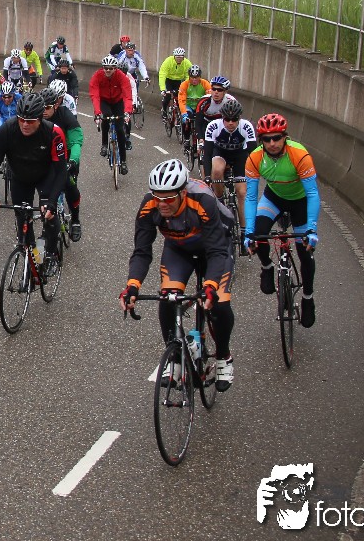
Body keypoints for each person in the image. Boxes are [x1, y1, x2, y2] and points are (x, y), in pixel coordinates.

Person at [120, 158, 238, 392]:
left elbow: (217, 251)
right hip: (178, 249)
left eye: (169, 198)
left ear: (183, 193)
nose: (162, 204)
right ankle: (174, 357)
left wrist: (210, 286)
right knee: (168, 298)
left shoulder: (202, 201)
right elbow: (142, 251)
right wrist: (132, 286)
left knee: (219, 303)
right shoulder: (149, 205)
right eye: (158, 197)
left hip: (214, 249)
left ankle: (223, 356)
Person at [245, 113, 320, 328]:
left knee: (304, 252)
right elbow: (251, 197)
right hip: (274, 198)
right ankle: (267, 267)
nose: (272, 143)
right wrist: (249, 231)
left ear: (285, 137)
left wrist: (312, 229)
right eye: (266, 139)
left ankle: (307, 298)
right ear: (261, 141)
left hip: (300, 202)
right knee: (259, 234)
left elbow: (313, 194)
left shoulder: (299, 154)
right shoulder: (255, 157)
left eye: (277, 138)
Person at [0, 93, 71, 271]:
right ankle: (34, 257)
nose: (25, 124)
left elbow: (61, 171)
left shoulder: (54, 132)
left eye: (30, 121)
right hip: (20, 177)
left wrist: (52, 202)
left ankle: (50, 253)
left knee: (49, 215)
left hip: (46, 176)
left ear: (40, 119)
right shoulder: (6, 130)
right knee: (23, 222)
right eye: (21, 119)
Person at [40, 91, 84, 242]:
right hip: (47, 156)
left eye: (47, 107)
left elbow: (76, 140)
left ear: (56, 105)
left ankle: (75, 220)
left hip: (67, 156)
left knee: (70, 187)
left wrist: (73, 160)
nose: (44, 111)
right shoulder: (37, 116)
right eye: (41, 107)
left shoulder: (65, 115)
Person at [202, 98, 256, 206]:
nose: (230, 123)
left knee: (242, 193)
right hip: (220, 153)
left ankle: (242, 218)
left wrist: (257, 172)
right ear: (222, 117)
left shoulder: (246, 126)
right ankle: (219, 199)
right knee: (217, 170)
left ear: (239, 118)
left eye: (234, 119)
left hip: (239, 155)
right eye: (227, 119)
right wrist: (207, 176)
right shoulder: (213, 126)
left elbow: (253, 153)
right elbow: (207, 153)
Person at [90, 55, 134, 173]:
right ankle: (104, 144)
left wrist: (127, 112)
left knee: (120, 130)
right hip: (104, 101)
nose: (108, 70)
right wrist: (97, 113)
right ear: (103, 68)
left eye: (111, 68)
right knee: (106, 116)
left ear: (115, 68)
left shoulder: (121, 76)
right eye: (106, 68)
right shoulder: (97, 76)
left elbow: (127, 96)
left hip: (118, 102)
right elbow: (95, 95)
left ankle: (123, 162)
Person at [192, 77, 239, 144]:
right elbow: (198, 122)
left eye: (219, 90)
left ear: (225, 91)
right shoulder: (204, 101)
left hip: (222, 124)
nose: (216, 92)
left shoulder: (231, 101)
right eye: (213, 89)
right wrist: (200, 138)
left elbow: (236, 121)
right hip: (206, 123)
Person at [176, 66, 211, 142]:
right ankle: (187, 139)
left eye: (196, 77)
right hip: (189, 106)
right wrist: (184, 114)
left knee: (204, 121)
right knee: (186, 121)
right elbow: (181, 100)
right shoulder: (184, 84)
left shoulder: (205, 83)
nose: (194, 79)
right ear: (189, 77)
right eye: (192, 77)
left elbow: (210, 97)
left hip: (201, 106)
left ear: (200, 77)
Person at [158, 47, 194, 117]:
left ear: (183, 57)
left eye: (181, 57)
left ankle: (178, 112)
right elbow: (162, 74)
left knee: (179, 98)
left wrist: (187, 87)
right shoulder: (168, 61)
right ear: (174, 56)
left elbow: (188, 76)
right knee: (167, 96)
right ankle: (164, 110)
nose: (179, 59)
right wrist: (163, 89)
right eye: (177, 57)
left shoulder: (187, 63)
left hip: (179, 80)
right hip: (168, 79)